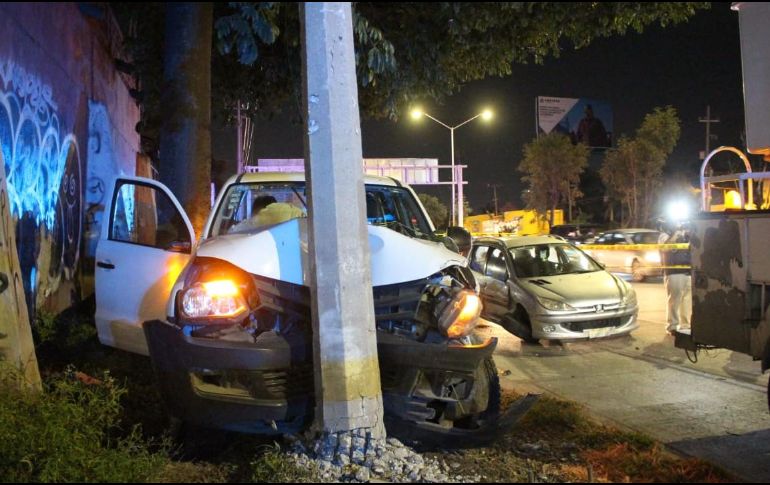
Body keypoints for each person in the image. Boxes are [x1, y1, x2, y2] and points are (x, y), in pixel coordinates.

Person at [659, 221, 692, 336]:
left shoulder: (686, 235)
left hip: (688, 271)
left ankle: (686, 324)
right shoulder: (664, 236)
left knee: (687, 300)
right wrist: (675, 234)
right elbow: (665, 248)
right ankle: (672, 326)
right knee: (674, 300)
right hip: (673, 272)